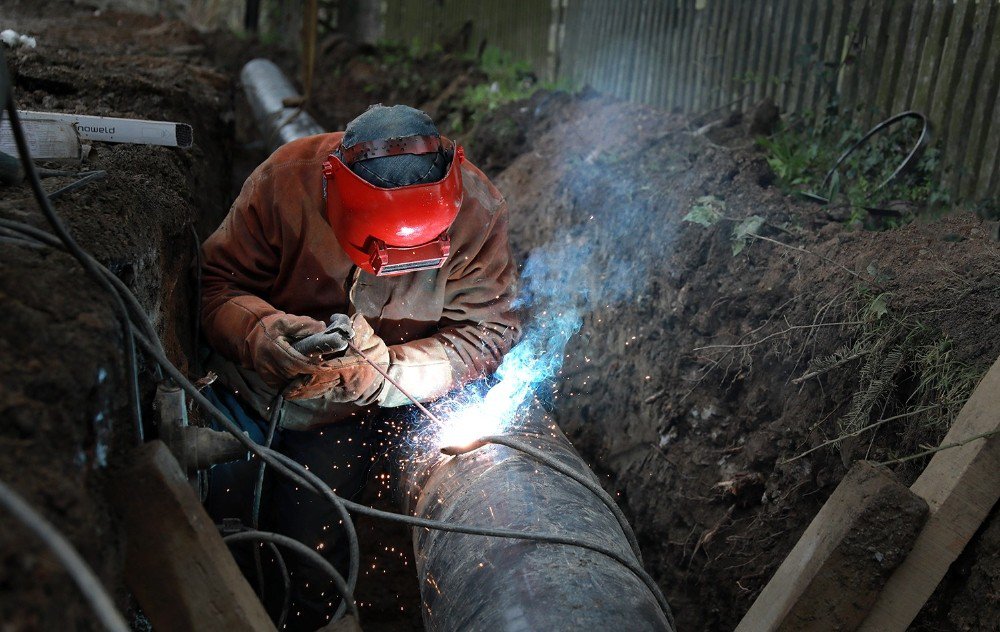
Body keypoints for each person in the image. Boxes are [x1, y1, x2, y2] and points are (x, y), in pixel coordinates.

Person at [198, 104, 520, 629]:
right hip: (248, 394)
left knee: (313, 562)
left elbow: (487, 335)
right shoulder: (285, 184)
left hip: (351, 418)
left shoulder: (476, 213)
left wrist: (385, 374)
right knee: (218, 520)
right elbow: (213, 287)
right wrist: (259, 332)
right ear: (334, 191)